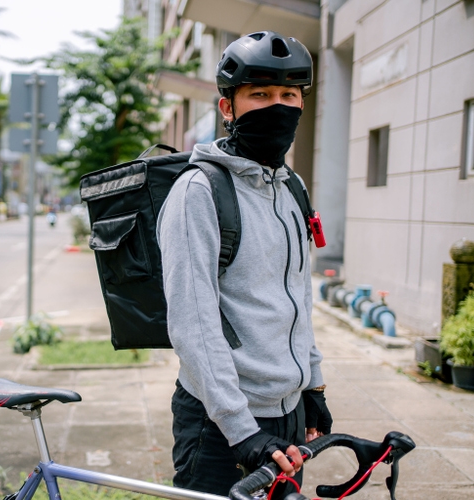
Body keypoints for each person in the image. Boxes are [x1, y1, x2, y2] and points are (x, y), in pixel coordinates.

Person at [157, 31, 333, 499]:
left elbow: (298, 296)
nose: (278, 106)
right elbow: (192, 324)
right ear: (227, 108)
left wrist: (312, 388)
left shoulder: (291, 187)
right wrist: (241, 429)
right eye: (260, 94)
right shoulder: (199, 192)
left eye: (289, 95)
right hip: (221, 422)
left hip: (288, 414)